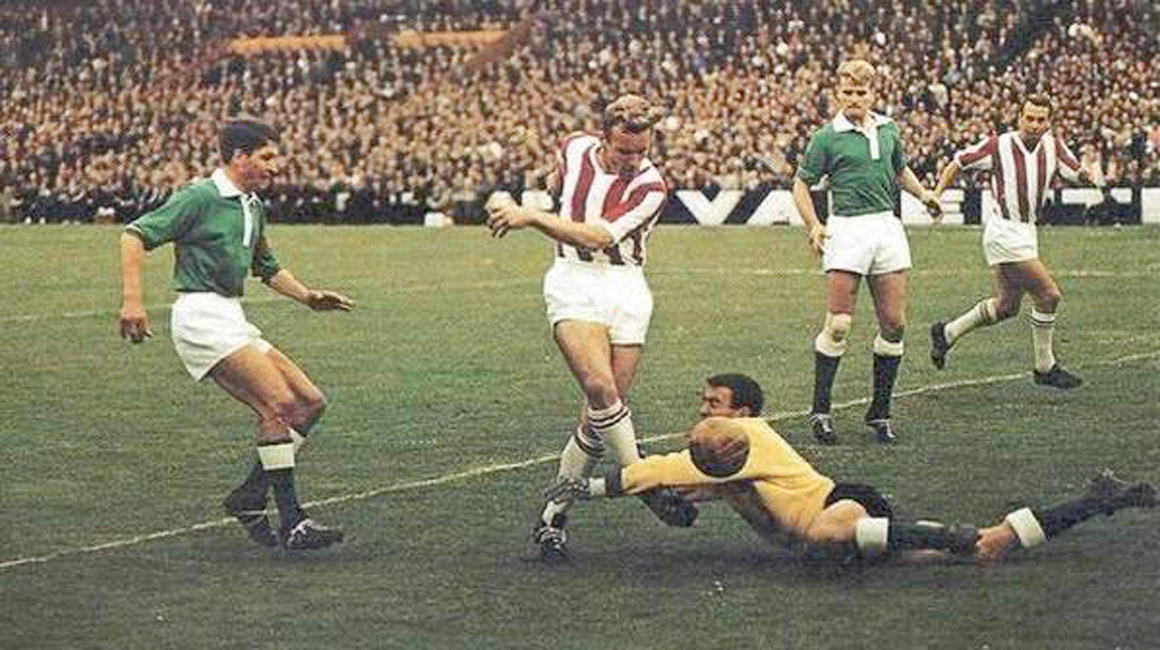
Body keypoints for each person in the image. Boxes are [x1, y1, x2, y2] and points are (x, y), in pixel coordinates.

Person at [547, 374, 1157, 563]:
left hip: (844, 506)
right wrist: (681, 504)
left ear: (744, 413)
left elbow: (651, 471)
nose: (706, 411)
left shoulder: (747, 437)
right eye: (704, 402)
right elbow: (684, 485)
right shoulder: (728, 460)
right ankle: (1101, 498)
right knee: (987, 550)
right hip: (841, 538)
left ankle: (943, 533)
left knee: (823, 532)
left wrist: (580, 487)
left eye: (715, 404)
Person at [119, 118, 354, 551]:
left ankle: (249, 496)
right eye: (267, 157)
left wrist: (307, 297)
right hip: (200, 315)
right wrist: (133, 301)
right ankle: (293, 522)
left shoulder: (252, 205)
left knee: (310, 402)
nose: (275, 166)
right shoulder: (200, 197)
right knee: (278, 404)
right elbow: (134, 235)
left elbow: (266, 266)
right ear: (239, 156)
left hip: (229, 314)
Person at [486, 94, 695, 562]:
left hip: (627, 287)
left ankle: (552, 519)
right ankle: (643, 478)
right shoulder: (575, 146)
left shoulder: (651, 186)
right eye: (624, 150)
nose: (633, 159)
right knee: (601, 388)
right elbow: (559, 176)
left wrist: (531, 215)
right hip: (573, 281)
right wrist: (551, 184)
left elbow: (599, 235)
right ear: (603, 138)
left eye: (642, 150)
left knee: (597, 419)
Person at [792, 59, 942, 445]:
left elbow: (899, 170)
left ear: (873, 94)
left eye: (861, 92)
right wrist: (814, 225)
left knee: (895, 324)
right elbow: (801, 184)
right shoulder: (827, 137)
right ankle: (821, 411)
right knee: (839, 324)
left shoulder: (889, 128)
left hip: (886, 228)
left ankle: (880, 411)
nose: (854, 98)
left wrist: (923, 194)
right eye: (848, 92)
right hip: (847, 229)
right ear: (838, 94)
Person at [929, 94, 1099, 388]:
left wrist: (1088, 173)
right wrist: (936, 194)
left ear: (1048, 122)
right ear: (1019, 118)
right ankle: (1045, 367)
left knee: (1007, 307)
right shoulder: (999, 145)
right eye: (1029, 118)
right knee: (1049, 295)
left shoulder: (1054, 146)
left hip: (1027, 231)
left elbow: (1077, 173)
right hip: (1004, 231)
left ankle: (947, 333)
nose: (1034, 124)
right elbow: (958, 162)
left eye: (1040, 120)